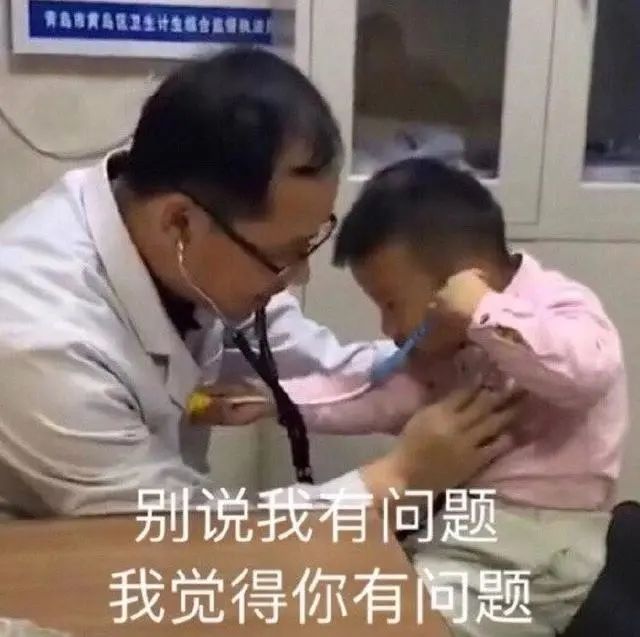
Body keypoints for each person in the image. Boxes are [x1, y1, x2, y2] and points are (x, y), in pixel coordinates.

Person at [0, 47, 517, 534]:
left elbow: (331, 367)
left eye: (309, 243)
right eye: (282, 253)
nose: (298, 275)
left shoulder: (187, 244)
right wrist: (399, 477)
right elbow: (186, 535)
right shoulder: (39, 340)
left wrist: (457, 357)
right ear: (179, 223)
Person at [332, 157, 628, 636]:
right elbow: (376, 392)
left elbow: (589, 374)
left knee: (400, 624)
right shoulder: (447, 350)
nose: (388, 328)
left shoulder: (555, 305)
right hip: (469, 534)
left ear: (465, 283)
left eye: (391, 304)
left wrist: (484, 312)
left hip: (539, 543)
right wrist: (275, 400)